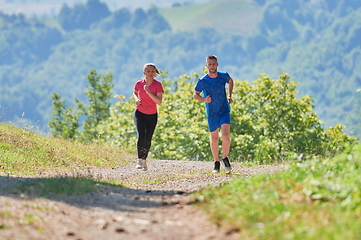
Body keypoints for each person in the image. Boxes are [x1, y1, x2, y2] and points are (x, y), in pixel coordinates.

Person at [193, 55, 234, 173]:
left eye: (214, 64)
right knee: (214, 138)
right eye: (209, 64)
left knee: (225, 135)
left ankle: (225, 158)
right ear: (206, 66)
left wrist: (230, 95)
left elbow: (230, 81)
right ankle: (216, 162)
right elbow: (195, 94)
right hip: (212, 112)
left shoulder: (223, 76)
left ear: (217, 64)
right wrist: (204, 99)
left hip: (224, 110)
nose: (212, 66)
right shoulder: (203, 81)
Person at [133, 63, 164, 171]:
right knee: (141, 135)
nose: (150, 73)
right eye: (148, 71)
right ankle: (139, 160)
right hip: (140, 112)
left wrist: (149, 92)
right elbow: (135, 93)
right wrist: (136, 99)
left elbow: (159, 101)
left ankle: (144, 160)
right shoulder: (138, 83)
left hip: (152, 114)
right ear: (144, 72)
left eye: (152, 71)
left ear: (155, 73)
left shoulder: (157, 85)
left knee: (148, 138)